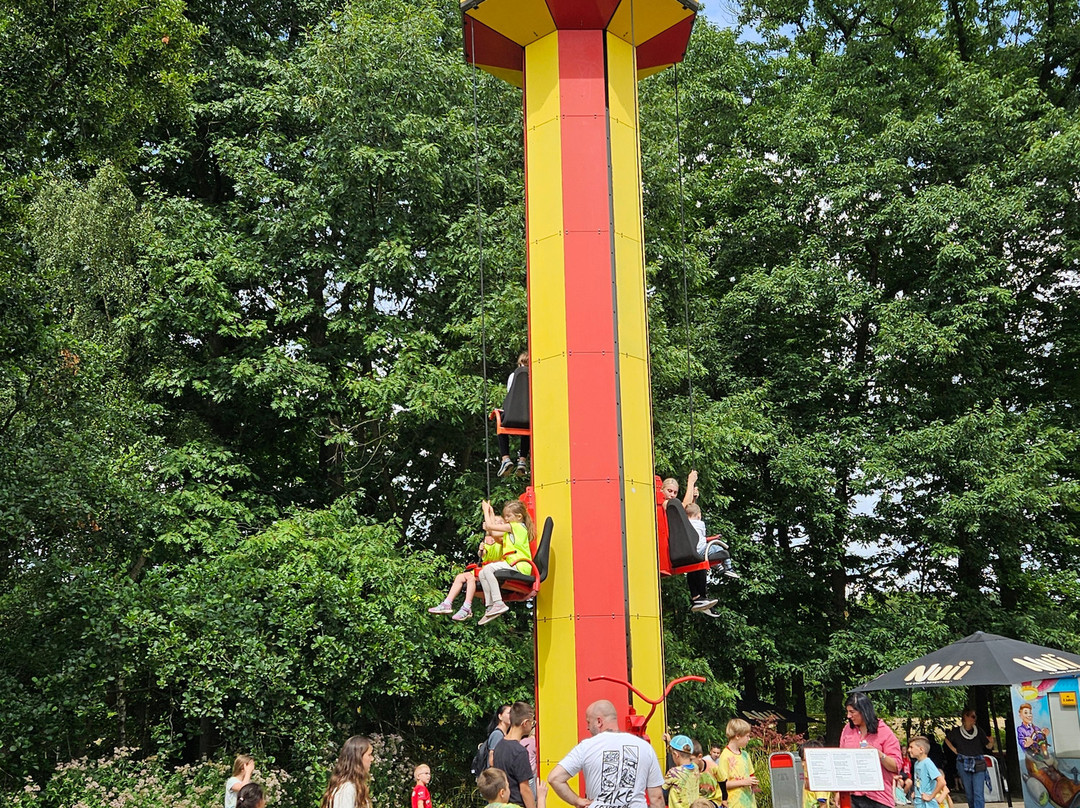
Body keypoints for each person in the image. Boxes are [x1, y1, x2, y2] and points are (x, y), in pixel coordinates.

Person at [548, 699, 665, 808]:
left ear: (599, 721)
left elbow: (555, 778)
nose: (587, 727)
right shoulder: (645, 747)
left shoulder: (586, 747)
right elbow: (657, 798)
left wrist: (577, 801)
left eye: (588, 722)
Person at [428, 506, 508, 621]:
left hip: (493, 569)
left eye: (500, 523)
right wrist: (481, 551)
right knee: (460, 577)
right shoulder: (486, 541)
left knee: (470, 578)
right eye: (495, 523)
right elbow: (483, 556)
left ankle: (466, 607)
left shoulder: (502, 539)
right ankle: (447, 603)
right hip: (484, 567)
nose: (496, 525)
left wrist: (489, 514)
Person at [661, 471, 717, 613]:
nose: (672, 495)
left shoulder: (672, 505)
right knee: (695, 556)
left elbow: (687, 517)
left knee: (697, 560)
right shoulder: (665, 504)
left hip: (680, 542)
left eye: (675, 492)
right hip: (674, 546)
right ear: (662, 490)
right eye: (669, 491)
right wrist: (690, 483)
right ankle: (698, 596)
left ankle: (699, 596)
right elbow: (681, 509)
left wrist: (693, 500)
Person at [475, 500, 534, 625]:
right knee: (482, 573)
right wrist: (491, 513)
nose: (505, 519)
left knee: (488, 569)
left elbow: (490, 527)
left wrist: (485, 511)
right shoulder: (511, 530)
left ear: (519, 516)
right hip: (513, 563)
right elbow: (494, 533)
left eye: (508, 516)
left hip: (520, 564)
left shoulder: (516, 526)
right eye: (505, 516)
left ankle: (498, 602)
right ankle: (490, 606)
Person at [839, 694, 902, 808]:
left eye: (852, 712)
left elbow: (896, 766)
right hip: (852, 796)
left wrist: (879, 755)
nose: (848, 716)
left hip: (879, 798)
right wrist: (839, 792)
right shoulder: (847, 729)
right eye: (847, 712)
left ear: (864, 710)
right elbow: (841, 761)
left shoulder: (884, 731)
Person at [944, 709, 991, 808]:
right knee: (969, 793)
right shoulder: (956, 732)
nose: (975, 719)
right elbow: (947, 739)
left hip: (978, 762)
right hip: (963, 762)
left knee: (978, 792)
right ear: (965, 716)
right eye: (972, 716)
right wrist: (954, 750)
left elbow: (988, 746)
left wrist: (991, 742)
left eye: (975, 716)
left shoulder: (979, 731)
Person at [492, 702, 537, 808]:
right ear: (525, 723)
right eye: (532, 722)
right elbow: (525, 789)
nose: (532, 725)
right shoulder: (520, 751)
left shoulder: (499, 746)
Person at [497, 352, 530, 478]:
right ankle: (522, 460)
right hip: (528, 419)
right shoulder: (535, 376)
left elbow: (510, 395)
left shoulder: (513, 376)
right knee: (526, 431)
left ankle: (505, 458)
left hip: (511, 416)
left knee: (500, 423)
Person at [321, 735, 374, 808]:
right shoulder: (347, 789)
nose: (372, 759)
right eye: (369, 755)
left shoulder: (353, 787)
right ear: (358, 757)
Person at [715, 718, 758, 808]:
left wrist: (754, 784)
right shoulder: (725, 756)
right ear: (738, 736)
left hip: (749, 803)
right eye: (747, 736)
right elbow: (723, 784)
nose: (749, 739)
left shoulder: (745, 755)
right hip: (734, 803)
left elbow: (751, 775)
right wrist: (744, 782)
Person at [665, 734, 701, 808]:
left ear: (675, 754)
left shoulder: (674, 773)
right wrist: (669, 742)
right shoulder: (695, 767)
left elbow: (661, 791)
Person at [909, 737, 946, 808]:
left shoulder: (927, 763)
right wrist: (916, 792)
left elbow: (942, 781)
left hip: (927, 804)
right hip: (918, 802)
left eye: (911, 747)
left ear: (921, 749)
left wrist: (931, 796)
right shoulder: (917, 763)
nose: (909, 750)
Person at [799, 741, 833, 808]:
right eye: (802, 760)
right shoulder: (808, 776)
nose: (802, 764)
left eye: (806, 760)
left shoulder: (819, 779)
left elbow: (823, 805)